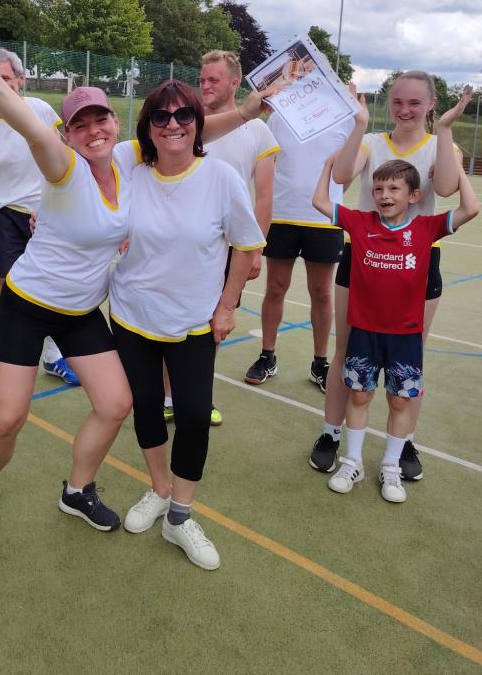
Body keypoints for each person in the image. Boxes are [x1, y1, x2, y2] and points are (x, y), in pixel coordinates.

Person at [0, 44, 274, 539]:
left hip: (82, 311)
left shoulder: (126, 158)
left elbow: (183, 135)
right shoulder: (64, 166)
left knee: (116, 404)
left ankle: (77, 490)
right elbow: (32, 128)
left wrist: (246, 113)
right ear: (68, 134)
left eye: (101, 120)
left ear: (116, 125)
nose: (93, 131)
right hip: (28, 305)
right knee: (8, 417)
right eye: (80, 125)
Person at [110, 81, 265, 570]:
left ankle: (180, 514)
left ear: (199, 124)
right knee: (147, 409)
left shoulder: (220, 177)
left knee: (195, 416)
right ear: (147, 127)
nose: (173, 125)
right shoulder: (128, 168)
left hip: (195, 320)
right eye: (161, 116)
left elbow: (247, 244)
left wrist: (227, 305)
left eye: (184, 116)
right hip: (132, 314)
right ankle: (159, 490)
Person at [307, 74, 470, 478]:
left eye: (415, 102)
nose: (405, 110)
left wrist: (444, 130)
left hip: (417, 261)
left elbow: (446, 188)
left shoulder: (442, 143)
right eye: (397, 101)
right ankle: (331, 433)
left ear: (431, 103)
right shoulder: (371, 141)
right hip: (364, 257)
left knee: (411, 356)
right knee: (345, 350)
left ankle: (404, 440)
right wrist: (359, 123)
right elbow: (342, 176)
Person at [171, 49, 278, 427]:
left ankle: (197, 397)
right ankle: (168, 397)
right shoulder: (186, 122)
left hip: (228, 246)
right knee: (171, 317)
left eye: (213, 80)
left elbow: (264, 195)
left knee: (213, 323)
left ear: (235, 83)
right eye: (202, 79)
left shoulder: (259, 131)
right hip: (179, 238)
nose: (205, 85)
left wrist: (256, 249)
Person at [0, 48, 79, 386]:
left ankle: (52, 356)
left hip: (46, 213)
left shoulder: (41, 109)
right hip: (5, 215)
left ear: (20, 80)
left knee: (51, 285)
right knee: (10, 292)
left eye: (5, 78)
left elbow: (67, 146)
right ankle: (10, 363)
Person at [243, 99, 354, 393]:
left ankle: (320, 363)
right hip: (282, 214)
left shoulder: (344, 116)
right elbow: (269, 162)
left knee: (321, 292)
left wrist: (329, 197)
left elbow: (346, 174)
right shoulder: (280, 114)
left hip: (323, 218)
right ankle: (267, 356)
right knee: (275, 287)